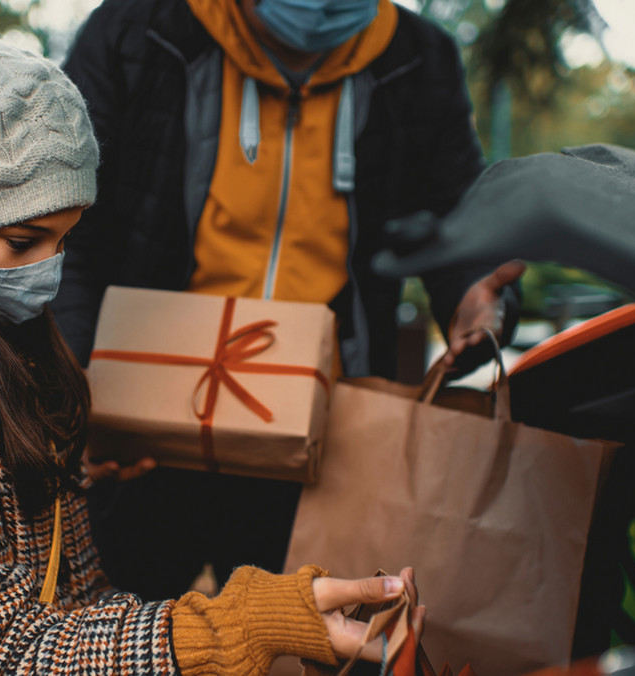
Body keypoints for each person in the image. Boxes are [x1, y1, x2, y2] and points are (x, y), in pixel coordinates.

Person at [0, 36, 424, 675]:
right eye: (24, 241)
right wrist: (235, 626)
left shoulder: (3, 351)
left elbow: (76, 605)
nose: (49, 268)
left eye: (64, 239)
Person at [55, 0, 525, 601]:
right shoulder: (136, 31)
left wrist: (474, 294)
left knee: (300, 639)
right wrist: (75, 374)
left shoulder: (418, 60)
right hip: (140, 421)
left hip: (323, 435)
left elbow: (455, 220)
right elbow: (69, 217)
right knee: (112, 633)